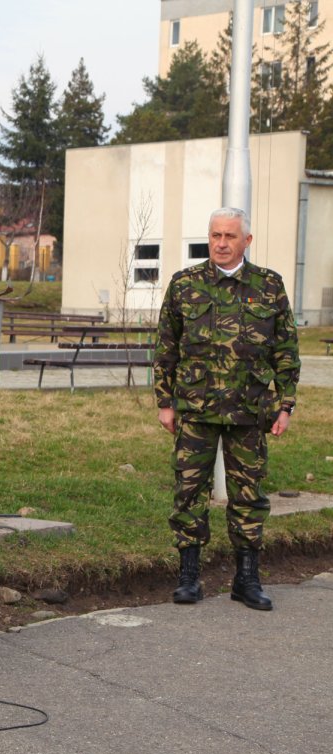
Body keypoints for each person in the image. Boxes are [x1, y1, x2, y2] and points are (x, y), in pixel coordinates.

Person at [154, 207, 300, 611]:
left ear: (246, 241)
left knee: (249, 496)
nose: (220, 243)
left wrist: (285, 405)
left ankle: (246, 579)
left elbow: (285, 351)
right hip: (196, 409)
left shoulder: (269, 286)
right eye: (215, 235)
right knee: (188, 492)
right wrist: (165, 402)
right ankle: (189, 577)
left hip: (250, 411)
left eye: (229, 236)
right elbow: (166, 347)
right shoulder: (185, 284)